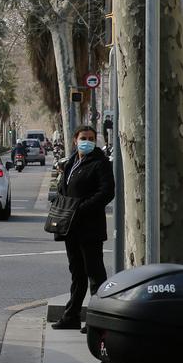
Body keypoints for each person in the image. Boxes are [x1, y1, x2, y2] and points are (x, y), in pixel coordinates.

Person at [51, 126, 115, 332]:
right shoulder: (71, 162)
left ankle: (97, 319)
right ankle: (71, 316)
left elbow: (106, 192)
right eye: (83, 138)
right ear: (74, 140)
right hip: (71, 227)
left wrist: (81, 208)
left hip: (90, 226)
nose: (87, 141)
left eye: (91, 138)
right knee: (77, 273)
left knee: (94, 273)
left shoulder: (100, 162)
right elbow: (64, 189)